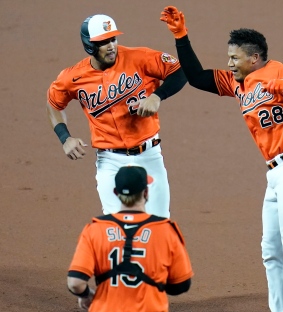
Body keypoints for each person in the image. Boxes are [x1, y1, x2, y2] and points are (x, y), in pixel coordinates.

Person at [159, 7, 283, 312]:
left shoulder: (280, 70)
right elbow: (197, 78)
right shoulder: (237, 84)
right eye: (228, 58)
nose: (229, 63)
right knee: (272, 251)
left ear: (255, 58)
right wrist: (181, 36)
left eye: (235, 58)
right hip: (277, 172)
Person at [47, 14, 187, 218]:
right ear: (89, 46)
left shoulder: (139, 57)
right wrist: (64, 137)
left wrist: (157, 96)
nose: (111, 46)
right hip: (109, 160)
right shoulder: (73, 77)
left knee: (158, 225)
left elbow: (180, 71)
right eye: (103, 42)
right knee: (117, 228)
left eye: (113, 39)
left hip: (149, 154)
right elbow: (53, 104)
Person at [67, 165, 193, 312]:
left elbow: (75, 283)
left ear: (116, 192)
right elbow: (181, 285)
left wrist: (86, 296)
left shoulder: (95, 230)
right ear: (146, 192)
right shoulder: (165, 230)